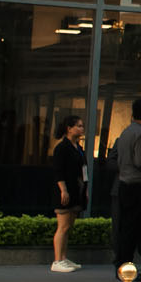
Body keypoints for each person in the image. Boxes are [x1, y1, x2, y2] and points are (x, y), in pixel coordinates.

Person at [111, 100, 141, 279]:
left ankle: (121, 264)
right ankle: (126, 268)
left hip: (124, 183)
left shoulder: (125, 132)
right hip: (137, 185)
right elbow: (140, 161)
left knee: (126, 227)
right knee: (134, 229)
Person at [50, 114, 86, 273]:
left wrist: (85, 189)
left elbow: (83, 169)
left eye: (82, 126)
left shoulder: (78, 148)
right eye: (78, 126)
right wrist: (63, 190)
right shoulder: (61, 148)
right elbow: (58, 171)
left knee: (69, 226)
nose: (82, 128)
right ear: (69, 129)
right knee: (63, 226)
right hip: (65, 190)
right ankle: (57, 260)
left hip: (76, 189)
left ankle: (63, 257)